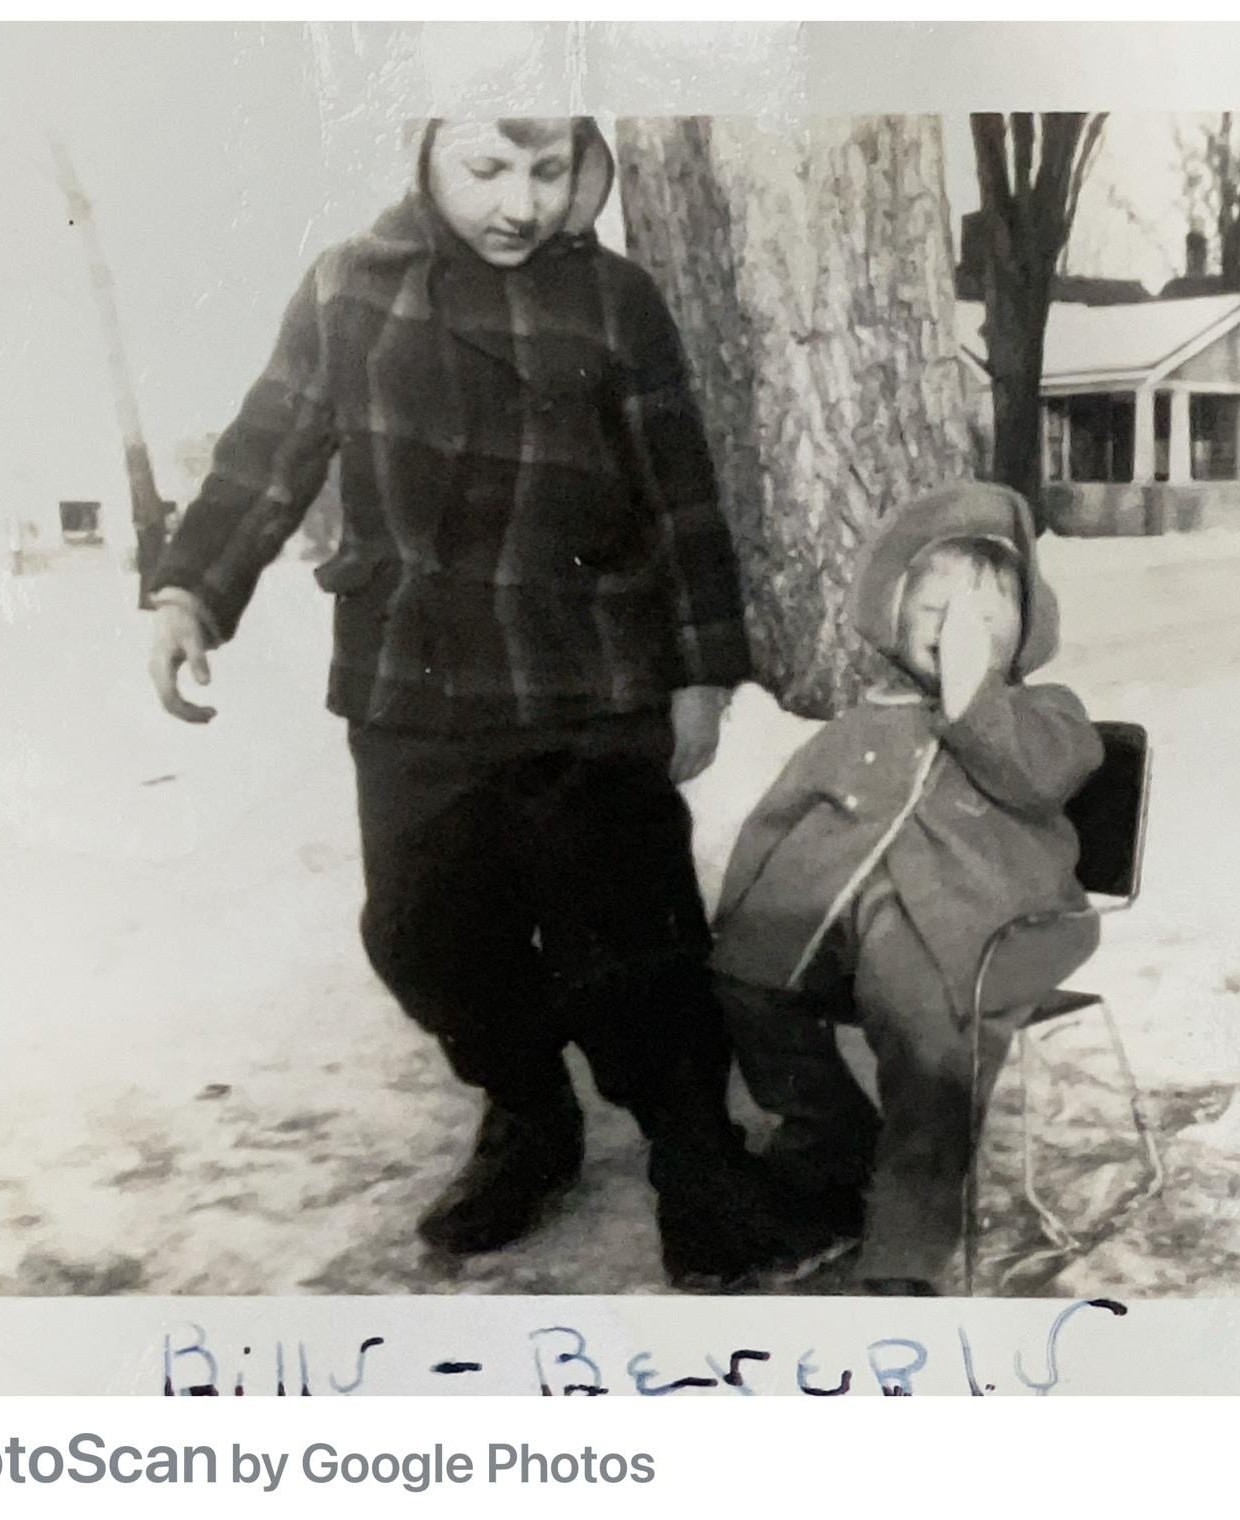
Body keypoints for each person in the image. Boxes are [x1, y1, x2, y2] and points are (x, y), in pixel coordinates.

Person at [146, 116, 830, 1287]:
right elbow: (267, 452)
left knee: (637, 948)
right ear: (422, 152)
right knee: (424, 935)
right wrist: (188, 593)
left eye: (549, 170)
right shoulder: (348, 289)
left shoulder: (615, 300)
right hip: (412, 684)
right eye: (487, 169)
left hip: (591, 678)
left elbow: (680, 493)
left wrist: (701, 671)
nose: (521, 203)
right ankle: (526, 1108)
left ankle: (698, 1165)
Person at [711, 481, 1105, 1294]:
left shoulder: (1048, 715)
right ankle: (830, 1136)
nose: (960, 632)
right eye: (936, 611)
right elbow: (781, 818)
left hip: (991, 925)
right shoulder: (862, 723)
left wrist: (973, 697)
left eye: (987, 616)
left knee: (931, 1045)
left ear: (1028, 628)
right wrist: (748, 911)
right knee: (743, 979)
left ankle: (910, 1234)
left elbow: (1034, 777)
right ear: (893, 618)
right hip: (849, 917)